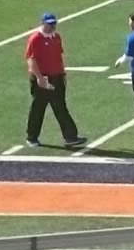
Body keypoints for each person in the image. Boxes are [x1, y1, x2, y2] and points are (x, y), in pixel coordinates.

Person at [23, 11, 87, 150]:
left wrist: (62, 74)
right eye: (49, 24)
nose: (52, 27)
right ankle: (32, 137)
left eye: (54, 24)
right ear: (43, 23)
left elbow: (59, 57)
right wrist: (40, 78)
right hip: (43, 77)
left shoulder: (56, 37)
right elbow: (31, 60)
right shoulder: (36, 39)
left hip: (56, 77)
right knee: (38, 108)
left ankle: (70, 136)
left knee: (61, 107)